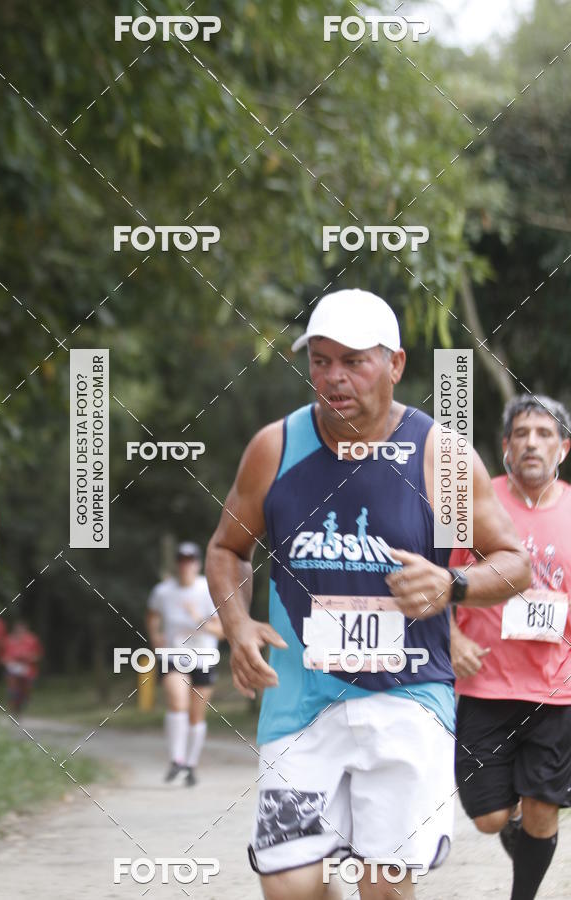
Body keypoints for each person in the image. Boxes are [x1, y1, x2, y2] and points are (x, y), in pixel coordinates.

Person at [206, 287, 531, 900]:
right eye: (321, 361)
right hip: (301, 703)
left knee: (384, 888)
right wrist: (238, 625)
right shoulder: (276, 449)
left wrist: (452, 583)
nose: (334, 378)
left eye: (354, 361)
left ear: (395, 365)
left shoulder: (439, 457)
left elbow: (513, 565)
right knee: (290, 886)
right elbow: (227, 548)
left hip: (408, 698)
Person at [450, 395, 571, 900]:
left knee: (544, 805)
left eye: (544, 434)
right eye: (521, 433)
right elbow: (441, 580)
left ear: (563, 448)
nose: (532, 443)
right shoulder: (477, 505)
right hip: (485, 683)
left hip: (554, 689)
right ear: (505, 446)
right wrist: (450, 635)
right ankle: (513, 817)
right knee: (488, 815)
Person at [146, 541, 224, 787]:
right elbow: (151, 614)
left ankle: (191, 765)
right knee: (176, 701)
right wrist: (155, 636)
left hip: (203, 656)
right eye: (181, 561)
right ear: (177, 564)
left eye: (190, 561)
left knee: (196, 714)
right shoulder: (163, 591)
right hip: (173, 655)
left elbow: (220, 631)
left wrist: (196, 618)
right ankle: (176, 759)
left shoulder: (208, 590)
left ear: (198, 564)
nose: (185, 566)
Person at [1, 619, 43, 716]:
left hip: (28, 669)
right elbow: (3, 656)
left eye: (22, 629)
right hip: (12, 668)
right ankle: (13, 710)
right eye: (17, 629)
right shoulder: (8, 640)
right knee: (13, 690)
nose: (19, 631)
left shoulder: (32, 639)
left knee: (25, 691)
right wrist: (9, 662)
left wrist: (28, 658)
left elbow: (38, 655)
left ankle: (22, 704)